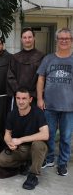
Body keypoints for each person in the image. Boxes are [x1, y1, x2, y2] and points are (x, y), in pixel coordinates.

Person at [36, 27, 73, 176]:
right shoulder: (48, 58)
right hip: (49, 105)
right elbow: (40, 79)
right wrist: (39, 98)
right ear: (56, 40)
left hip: (69, 107)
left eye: (67, 38)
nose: (63, 41)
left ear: (71, 41)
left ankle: (62, 163)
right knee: (49, 135)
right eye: (61, 38)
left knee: (65, 137)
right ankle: (50, 158)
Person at [0, 88, 49, 190]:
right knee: (1, 160)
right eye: (18, 98)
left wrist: (21, 140)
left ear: (30, 99)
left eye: (24, 98)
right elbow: (7, 134)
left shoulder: (38, 113)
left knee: (38, 144)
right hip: (20, 149)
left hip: (35, 148)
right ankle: (26, 164)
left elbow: (45, 135)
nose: (21, 101)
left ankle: (33, 175)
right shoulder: (12, 114)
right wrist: (9, 142)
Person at [7, 27, 44, 106]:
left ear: (34, 38)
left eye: (30, 37)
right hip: (19, 98)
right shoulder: (14, 58)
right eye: (25, 37)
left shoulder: (42, 57)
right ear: (21, 39)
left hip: (35, 97)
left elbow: (43, 78)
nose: (27, 40)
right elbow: (10, 77)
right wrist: (20, 93)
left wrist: (35, 95)